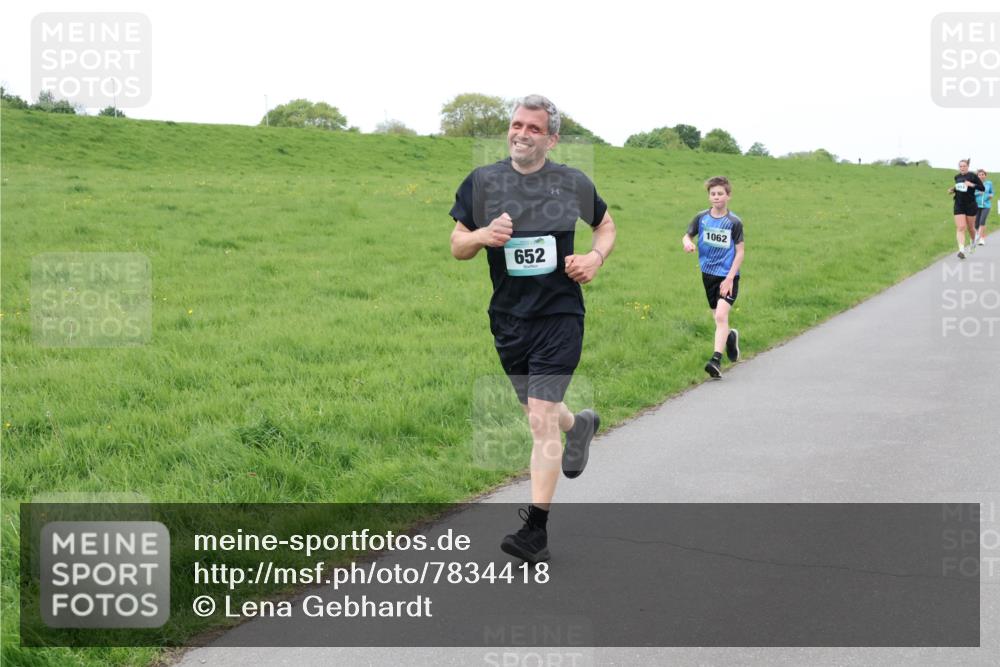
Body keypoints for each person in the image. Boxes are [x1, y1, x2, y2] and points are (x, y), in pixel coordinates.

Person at [448, 94, 616, 563]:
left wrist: (594, 258)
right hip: (507, 318)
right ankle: (579, 425)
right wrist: (482, 236)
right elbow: (457, 244)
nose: (522, 133)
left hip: (560, 314)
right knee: (543, 413)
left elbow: (606, 226)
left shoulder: (571, 182)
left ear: (552, 138)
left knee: (539, 419)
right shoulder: (483, 182)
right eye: (517, 124)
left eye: (534, 128)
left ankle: (535, 531)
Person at [682, 176, 745, 379]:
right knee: (718, 318)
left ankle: (715, 360)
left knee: (720, 316)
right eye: (713, 194)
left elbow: (740, 252)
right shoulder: (701, 218)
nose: (716, 197)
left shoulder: (734, 222)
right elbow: (687, 234)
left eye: (720, 194)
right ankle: (730, 337)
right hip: (707, 274)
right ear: (709, 196)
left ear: (728, 196)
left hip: (728, 276)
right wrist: (687, 243)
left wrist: (729, 278)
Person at [949, 158, 984, 259]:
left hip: (970, 205)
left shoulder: (973, 176)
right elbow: (959, 188)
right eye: (960, 166)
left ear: (967, 166)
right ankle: (961, 250)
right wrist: (953, 190)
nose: (962, 168)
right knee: (961, 227)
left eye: (964, 166)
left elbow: (982, 188)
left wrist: (971, 184)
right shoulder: (957, 177)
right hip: (959, 204)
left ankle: (973, 242)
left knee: (970, 228)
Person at [974, 168, 993, 246]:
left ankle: (981, 238)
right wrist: (979, 193)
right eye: (979, 175)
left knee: (982, 221)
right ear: (977, 176)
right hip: (977, 205)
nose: (981, 176)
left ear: (985, 175)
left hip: (986, 205)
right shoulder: (974, 184)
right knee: (976, 223)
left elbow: (991, 192)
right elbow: (972, 194)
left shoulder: (989, 183)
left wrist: (990, 195)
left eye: (983, 175)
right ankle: (976, 235)